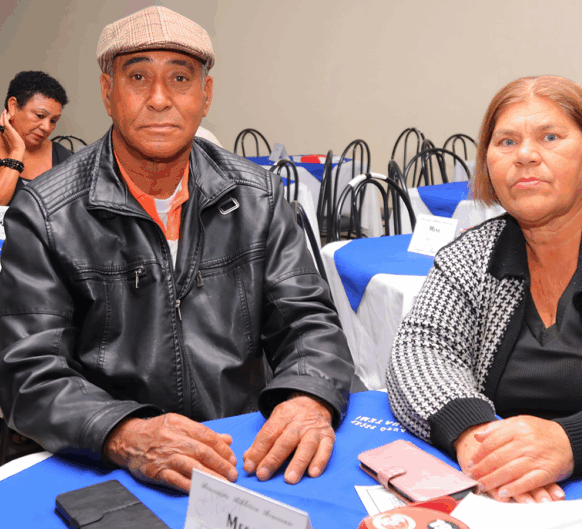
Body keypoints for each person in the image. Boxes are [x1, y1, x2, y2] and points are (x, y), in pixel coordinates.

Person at [0, 6, 353, 493]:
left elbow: (309, 322)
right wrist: (125, 433)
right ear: (107, 92)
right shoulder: (44, 213)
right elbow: (27, 373)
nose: (160, 99)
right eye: (138, 77)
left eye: (181, 78)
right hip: (105, 464)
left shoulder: (260, 198)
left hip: (242, 456)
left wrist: (308, 396)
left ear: (205, 95)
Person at [387, 76, 582, 528]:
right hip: (510, 500)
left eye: (550, 137)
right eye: (506, 141)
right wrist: (473, 433)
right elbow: (420, 350)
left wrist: (569, 443)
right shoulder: (471, 255)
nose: (525, 155)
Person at [0, 71, 71, 205]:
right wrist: (17, 151)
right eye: (40, 115)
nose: (46, 127)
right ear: (13, 106)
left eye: (53, 121)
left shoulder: (62, 156)